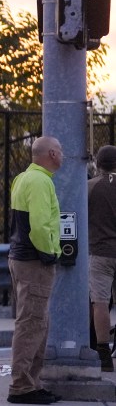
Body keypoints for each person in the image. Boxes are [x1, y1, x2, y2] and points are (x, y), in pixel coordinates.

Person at [7, 135, 63, 404]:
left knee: (35, 322)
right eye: (60, 151)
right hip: (34, 261)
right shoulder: (42, 182)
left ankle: (31, 382)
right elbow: (40, 226)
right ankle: (22, 386)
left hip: (19, 258)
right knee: (32, 323)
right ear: (51, 154)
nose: (63, 156)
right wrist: (50, 254)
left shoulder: (22, 178)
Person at [88, 145, 116, 372]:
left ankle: (103, 352)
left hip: (100, 252)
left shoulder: (90, 187)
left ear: (98, 164)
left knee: (100, 301)